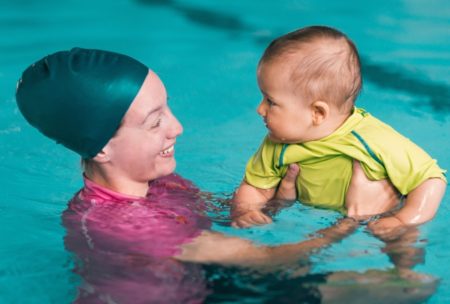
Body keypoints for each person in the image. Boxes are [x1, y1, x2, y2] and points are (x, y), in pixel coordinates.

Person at [16, 48, 361, 303]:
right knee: (387, 289)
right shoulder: (120, 223)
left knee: (389, 289)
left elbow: (225, 218)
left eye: (168, 107)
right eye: (155, 122)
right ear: (101, 148)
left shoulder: (160, 183)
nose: (177, 127)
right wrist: (353, 221)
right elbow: (271, 259)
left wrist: (279, 202)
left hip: (198, 281)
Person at [231, 26, 447, 239]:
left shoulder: (373, 140)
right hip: (320, 225)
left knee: (403, 244)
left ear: (317, 112)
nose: (260, 109)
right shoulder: (276, 145)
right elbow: (256, 188)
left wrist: (403, 220)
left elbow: (430, 179)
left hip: (384, 216)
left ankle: (406, 271)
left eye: (271, 101)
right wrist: (246, 211)